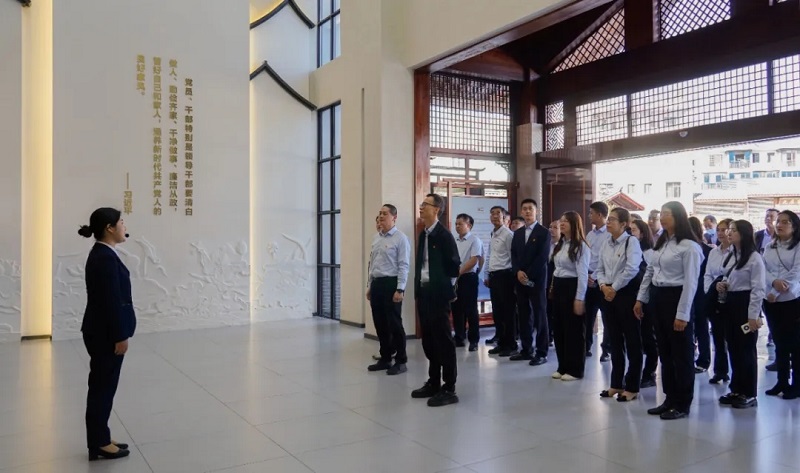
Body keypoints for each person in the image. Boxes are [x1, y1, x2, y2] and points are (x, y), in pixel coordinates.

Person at [635, 202, 703, 420]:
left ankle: (682, 403)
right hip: (658, 297)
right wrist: (641, 299)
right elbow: (650, 271)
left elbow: (691, 283)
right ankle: (669, 399)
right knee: (665, 352)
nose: (662, 218)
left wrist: (682, 314)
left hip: (677, 298)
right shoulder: (663, 243)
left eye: (667, 214)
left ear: (678, 217)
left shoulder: (689, 246)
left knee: (681, 354)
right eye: (661, 214)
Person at [78, 208, 136, 461]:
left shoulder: (104, 254)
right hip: (106, 335)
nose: (125, 227)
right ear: (109, 228)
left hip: (101, 331)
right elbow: (110, 302)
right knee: (102, 389)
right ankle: (99, 442)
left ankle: (100, 436)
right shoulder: (104, 258)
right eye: (121, 222)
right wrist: (120, 336)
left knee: (103, 387)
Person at [412, 193, 461, 407]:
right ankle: (433, 382)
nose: (421, 207)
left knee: (443, 341)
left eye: (425, 204)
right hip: (424, 293)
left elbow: (454, 266)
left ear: (436, 210)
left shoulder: (444, 235)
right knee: (429, 340)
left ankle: (449, 387)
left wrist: (444, 288)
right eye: (421, 204)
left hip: (438, 296)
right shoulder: (424, 234)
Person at [595, 208, 644, 401]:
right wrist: (603, 286)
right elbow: (599, 268)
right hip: (607, 294)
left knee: (632, 341)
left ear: (624, 224)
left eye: (613, 220)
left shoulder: (631, 242)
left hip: (625, 294)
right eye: (608, 219)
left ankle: (632, 386)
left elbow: (631, 268)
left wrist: (613, 287)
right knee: (614, 340)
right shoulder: (606, 242)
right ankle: (616, 383)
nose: (608, 222)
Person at [716, 220, 765, 409]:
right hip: (731, 303)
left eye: (734, 230)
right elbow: (729, 276)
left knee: (746, 349)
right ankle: (736, 389)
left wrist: (753, 316)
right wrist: (722, 284)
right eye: (729, 229)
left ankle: (749, 393)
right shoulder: (732, 255)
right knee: (734, 347)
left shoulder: (754, 258)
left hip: (746, 305)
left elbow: (758, 288)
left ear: (744, 233)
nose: (729, 233)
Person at [366, 204, 411, 375]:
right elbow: (372, 264)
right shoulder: (376, 238)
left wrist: (400, 289)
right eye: (380, 213)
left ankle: (401, 360)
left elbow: (404, 265)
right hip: (377, 284)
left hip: (392, 284)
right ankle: (385, 358)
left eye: (385, 213)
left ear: (394, 217)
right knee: (380, 323)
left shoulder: (401, 238)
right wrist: (370, 285)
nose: (381, 216)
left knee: (394, 323)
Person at [762, 210, 800, 400]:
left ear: (794, 226)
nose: (779, 225)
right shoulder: (770, 246)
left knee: (795, 345)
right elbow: (763, 270)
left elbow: (795, 273)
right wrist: (772, 283)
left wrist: (776, 291)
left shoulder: (798, 246)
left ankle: (797, 384)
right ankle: (782, 381)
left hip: (792, 300)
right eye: (779, 221)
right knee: (779, 343)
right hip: (770, 300)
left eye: (785, 222)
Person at [511, 199, 552, 365]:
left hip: (537, 280)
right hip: (520, 280)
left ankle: (541, 352)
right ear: (521, 212)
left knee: (540, 315)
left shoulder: (544, 232)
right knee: (523, 315)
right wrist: (518, 272)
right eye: (525, 209)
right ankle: (526, 349)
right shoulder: (518, 233)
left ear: (536, 211)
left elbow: (542, 257)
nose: (527, 211)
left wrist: (527, 275)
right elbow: (514, 255)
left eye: (530, 209)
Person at [550, 211, 590, 381]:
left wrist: (579, 298)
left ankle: (575, 369)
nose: (562, 223)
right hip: (559, 286)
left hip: (572, 287)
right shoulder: (560, 244)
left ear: (574, 224)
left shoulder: (580, 246)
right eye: (561, 220)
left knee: (573, 330)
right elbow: (556, 268)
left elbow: (583, 275)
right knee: (559, 328)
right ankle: (562, 366)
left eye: (566, 221)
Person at [702, 218, 735, 384]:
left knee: (732, 337)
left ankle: (737, 375)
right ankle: (720, 371)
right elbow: (708, 274)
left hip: (732, 298)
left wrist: (726, 285)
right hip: (715, 297)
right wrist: (712, 288)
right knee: (717, 335)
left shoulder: (737, 252)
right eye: (719, 230)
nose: (721, 233)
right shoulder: (713, 252)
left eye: (725, 230)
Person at [630, 219, 658, 388]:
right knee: (634, 338)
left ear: (642, 233)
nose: (631, 233)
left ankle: (650, 372)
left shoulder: (649, 253)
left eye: (634, 230)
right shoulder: (628, 251)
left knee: (648, 337)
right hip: (631, 297)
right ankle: (634, 372)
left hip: (647, 299)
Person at [485, 206, 516, 353]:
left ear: (504, 217)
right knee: (497, 312)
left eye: (498, 213)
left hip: (505, 276)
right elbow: (490, 255)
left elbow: (513, 257)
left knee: (507, 312)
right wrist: (487, 274)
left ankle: (510, 344)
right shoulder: (493, 233)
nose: (495, 216)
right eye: (492, 213)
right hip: (494, 276)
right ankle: (501, 343)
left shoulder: (508, 234)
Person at [453, 213, 484, 351]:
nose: (457, 226)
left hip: (468, 277)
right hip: (455, 279)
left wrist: (460, 272)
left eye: (460, 224)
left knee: (470, 309)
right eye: (456, 224)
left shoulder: (474, 240)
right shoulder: (454, 240)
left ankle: (474, 340)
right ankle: (459, 337)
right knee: (457, 309)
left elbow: (475, 260)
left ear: (469, 225)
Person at [586, 202, 612, 361]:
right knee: (587, 317)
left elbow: (606, 260)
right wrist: (586, 275)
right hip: (588, 279)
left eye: (591, 213)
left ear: (600, 215)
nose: (589, 215)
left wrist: (595, 276)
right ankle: (586, 346)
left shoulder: (609, 235)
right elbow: (586, 257)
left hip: (603, 281)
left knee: (607, 318)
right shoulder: (589, 234)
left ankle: (606, 350)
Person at [689, 216, 713, 375]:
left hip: (700, 293)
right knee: (689, 326)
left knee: (701, 326)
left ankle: (704, 360)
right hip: (687, 292)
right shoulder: (682, 249)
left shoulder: (708, 250)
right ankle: (691, 356)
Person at [758, 208, 780, 356]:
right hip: (762, 280)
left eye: (771, 216)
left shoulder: (787, 240)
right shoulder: (758, 235)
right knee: (768, 313)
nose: (768, 219)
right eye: (766, 216)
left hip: (781, 284)